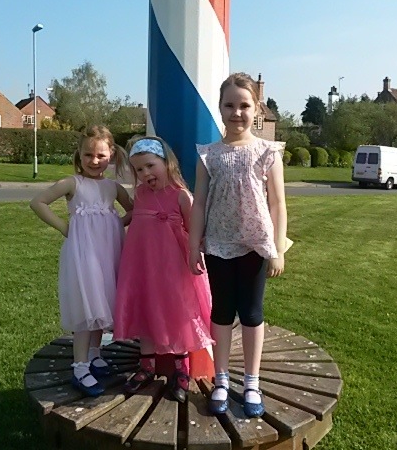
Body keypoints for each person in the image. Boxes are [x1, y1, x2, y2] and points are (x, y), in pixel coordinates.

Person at [189, 72, 288, 418]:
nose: (237, 112)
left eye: (244, 105)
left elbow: (278, 203)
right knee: (221, 312)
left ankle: (251, 382)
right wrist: (193, 245)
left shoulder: (267, 152)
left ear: (256, 108)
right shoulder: (209, 155)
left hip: (255, 245)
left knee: (251, 313)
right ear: (219, 108)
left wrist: (276, 248)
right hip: (218, 244)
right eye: (229, 105)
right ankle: (221, 379)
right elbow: (199, 203)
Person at [30, 125, 133, 397]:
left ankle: (95, 354)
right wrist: (65, 228)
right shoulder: (72, 183)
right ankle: (80, 367)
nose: (94, 161)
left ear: (111, 155)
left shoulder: (113, 187)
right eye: (88, 155)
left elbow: (135, 210)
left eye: (100, 155)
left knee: (102, 304)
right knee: (87, 307)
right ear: (79, 153)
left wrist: (115, 224)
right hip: (83, 254)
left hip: (108, 253)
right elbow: (38, 202)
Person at [113, 136, 213, 403]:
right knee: (146, 309)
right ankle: (147, 366)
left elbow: (194, 231)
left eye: (150, 166)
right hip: (142, 266)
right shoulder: (140, 195)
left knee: (176, 313)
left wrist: (194, 256)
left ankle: (181, 370)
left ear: (166, 162)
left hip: (172, 269)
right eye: (139, 169)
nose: (145, 173)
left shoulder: (181, 195)